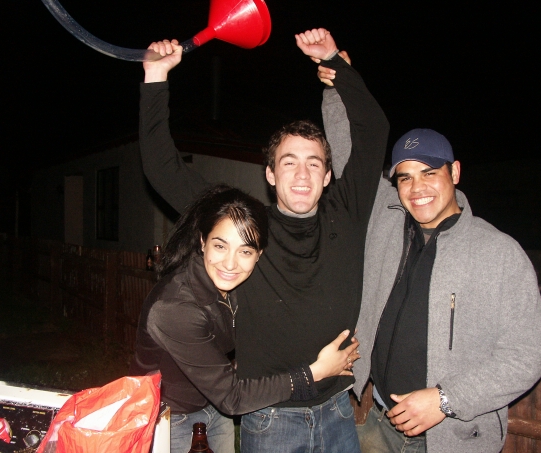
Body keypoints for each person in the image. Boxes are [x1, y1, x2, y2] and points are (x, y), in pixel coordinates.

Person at [138, 29, 389, 452]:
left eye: (314, 164)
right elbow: (164, 171)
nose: (302, 174)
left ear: (328, 175)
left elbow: (374, 129)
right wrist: (156, 78)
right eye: (288, 163)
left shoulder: (348, 211)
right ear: (270, 174)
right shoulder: (247, 228)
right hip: (271, 420)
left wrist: (335, 62)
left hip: (338, 411)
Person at [318, 61, 541, 453]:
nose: (417, 188)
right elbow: (349, 156)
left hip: (455, 437)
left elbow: (527, 356)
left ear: (454, 172)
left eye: (429, 173)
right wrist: (337, 83)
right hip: (381, 421)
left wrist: (445, 399)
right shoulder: (386, 220)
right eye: (405, 177)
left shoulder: (499, 254)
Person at [130, 184, 359, 453]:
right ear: (202, 241)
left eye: (245, 251)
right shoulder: (175, 308)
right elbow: (232, 398)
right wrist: (315, 372)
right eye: (220, 246)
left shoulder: (237, 285)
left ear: (259, 255)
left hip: (213, 408)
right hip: (171, 417)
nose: (230, 264)